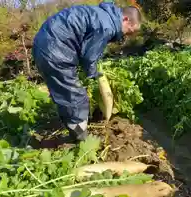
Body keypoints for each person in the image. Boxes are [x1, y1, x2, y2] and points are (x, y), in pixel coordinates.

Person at [32, 2, 141, 142]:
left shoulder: (101, 15)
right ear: (125, 19)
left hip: (45, 46)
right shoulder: (107, 26)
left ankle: (73, 129)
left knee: (65, 95)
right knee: (77, 98)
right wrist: (93, 73)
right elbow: (89, 56)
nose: (126, 35)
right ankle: (81, 139)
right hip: (55, 50)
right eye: (129, 31)